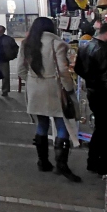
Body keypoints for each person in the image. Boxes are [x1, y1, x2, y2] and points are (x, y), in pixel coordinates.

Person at [16, 16, 80, 182]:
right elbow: (63, 71)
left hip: (35, 89)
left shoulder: (26, 44)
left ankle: (43, 162)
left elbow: (20, 70)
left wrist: (31, 81)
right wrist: (69, 89)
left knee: (42, 123)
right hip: (54, 88)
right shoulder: (57, 43)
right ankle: (61, 165)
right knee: (62, 124)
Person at [75, 20, 107, 176]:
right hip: (106, 98)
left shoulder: (85, 46)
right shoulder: (103, 52)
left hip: (94, 94)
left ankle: (93, 162)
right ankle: (105, 166)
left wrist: (91, 79)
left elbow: (78, 68)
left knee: (100, 129)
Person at [0, 25, 19, 96]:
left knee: (5, 76)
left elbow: (15, 48)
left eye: (0, 30)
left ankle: (5, 90)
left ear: (3, 31)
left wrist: (12, 56)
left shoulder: (8, 39)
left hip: (4, 59)